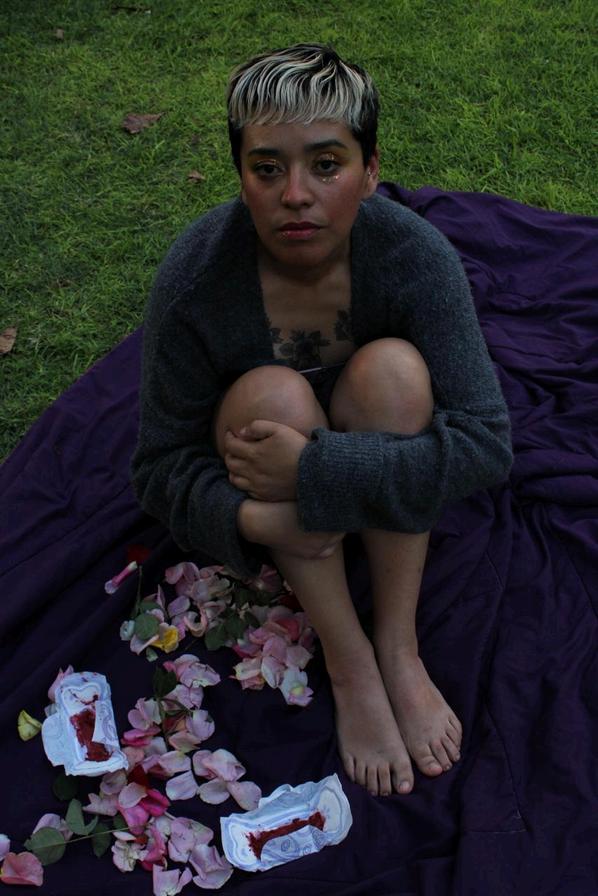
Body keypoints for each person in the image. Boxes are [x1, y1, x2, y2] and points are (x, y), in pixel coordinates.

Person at [131, 44, 513, 797]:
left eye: (327, 165)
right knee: (272, 395)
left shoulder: (415, 259)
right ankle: (350, 660)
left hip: (370, 431)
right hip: (263, 455)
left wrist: (312, 474)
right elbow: (157, 465)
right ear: (241, 176)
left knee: (394, 370)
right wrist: (256, 518)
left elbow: (486, 443)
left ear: (370, 171)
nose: (296, 195)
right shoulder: (197, 281)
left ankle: (397, 647)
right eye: (267, 168)